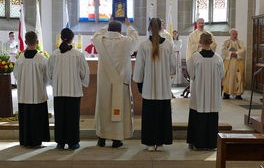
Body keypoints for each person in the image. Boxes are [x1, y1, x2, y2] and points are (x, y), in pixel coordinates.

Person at [93, 18, 138, 148]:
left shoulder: (100, 41)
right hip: (120, 82)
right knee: (118, 109)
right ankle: (116, 139)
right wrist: (129, 26)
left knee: (104, 108)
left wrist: (108, 23)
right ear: (120, 30)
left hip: (104, 83)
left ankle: (101, 138)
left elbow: (96, 34)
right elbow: (135, 36)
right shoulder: (126, 41)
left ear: (108, 29)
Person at [133, 18, 176, 151]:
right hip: (163, 88)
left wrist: (139, 83)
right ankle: (161, 143)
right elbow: (173, 67)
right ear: (161, 28)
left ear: (150, 28)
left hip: (149, 88)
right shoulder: (168, 45)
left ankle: (150, 143)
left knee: (150, 116)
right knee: (162, 115)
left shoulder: (144, 45)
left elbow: (139, 68)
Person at [47, 28, 90, 150]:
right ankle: (73, 142)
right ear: (72, 39)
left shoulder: (54, 54)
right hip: (74, 91)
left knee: (60, 116)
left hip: (59, 91)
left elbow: (49, 74)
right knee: (73, 117)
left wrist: (54, 83)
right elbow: (84, 73)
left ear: (61, 38)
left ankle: (60, 142)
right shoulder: (78, 55)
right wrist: (81, 82)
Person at [186, 32, 224, 150]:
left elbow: (191, 75)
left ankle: (197, 143)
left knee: (197, 116)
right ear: (211, 42)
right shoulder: (218, 59)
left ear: (200, 42)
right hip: (213, 96)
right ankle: (211, 144)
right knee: (212, 119)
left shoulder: (195, 58)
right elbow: (221, 75)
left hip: (199, 95)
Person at [13, 31, 50, 147]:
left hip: (24, 94)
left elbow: (16, 76)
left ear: (25, 42)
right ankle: (36, 141)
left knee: (25, 118)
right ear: (37, 42)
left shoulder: (20, 59)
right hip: (37, 94)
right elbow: (47, 76)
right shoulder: (41, 58)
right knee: (36, 118)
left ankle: (25, 140)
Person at [222, 28, 246, 99]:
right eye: (233, 34)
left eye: (236, 34)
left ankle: (238, 94)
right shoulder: (226, 42)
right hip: (229, 63)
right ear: (230, 34)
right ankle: (227, 93)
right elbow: (223, 50)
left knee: (239, 77)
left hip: (238, 63)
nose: (235, 36)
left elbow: (243, 50)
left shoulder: (240, 42)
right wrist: (230, 53)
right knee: (227, 77)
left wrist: (237, 53)